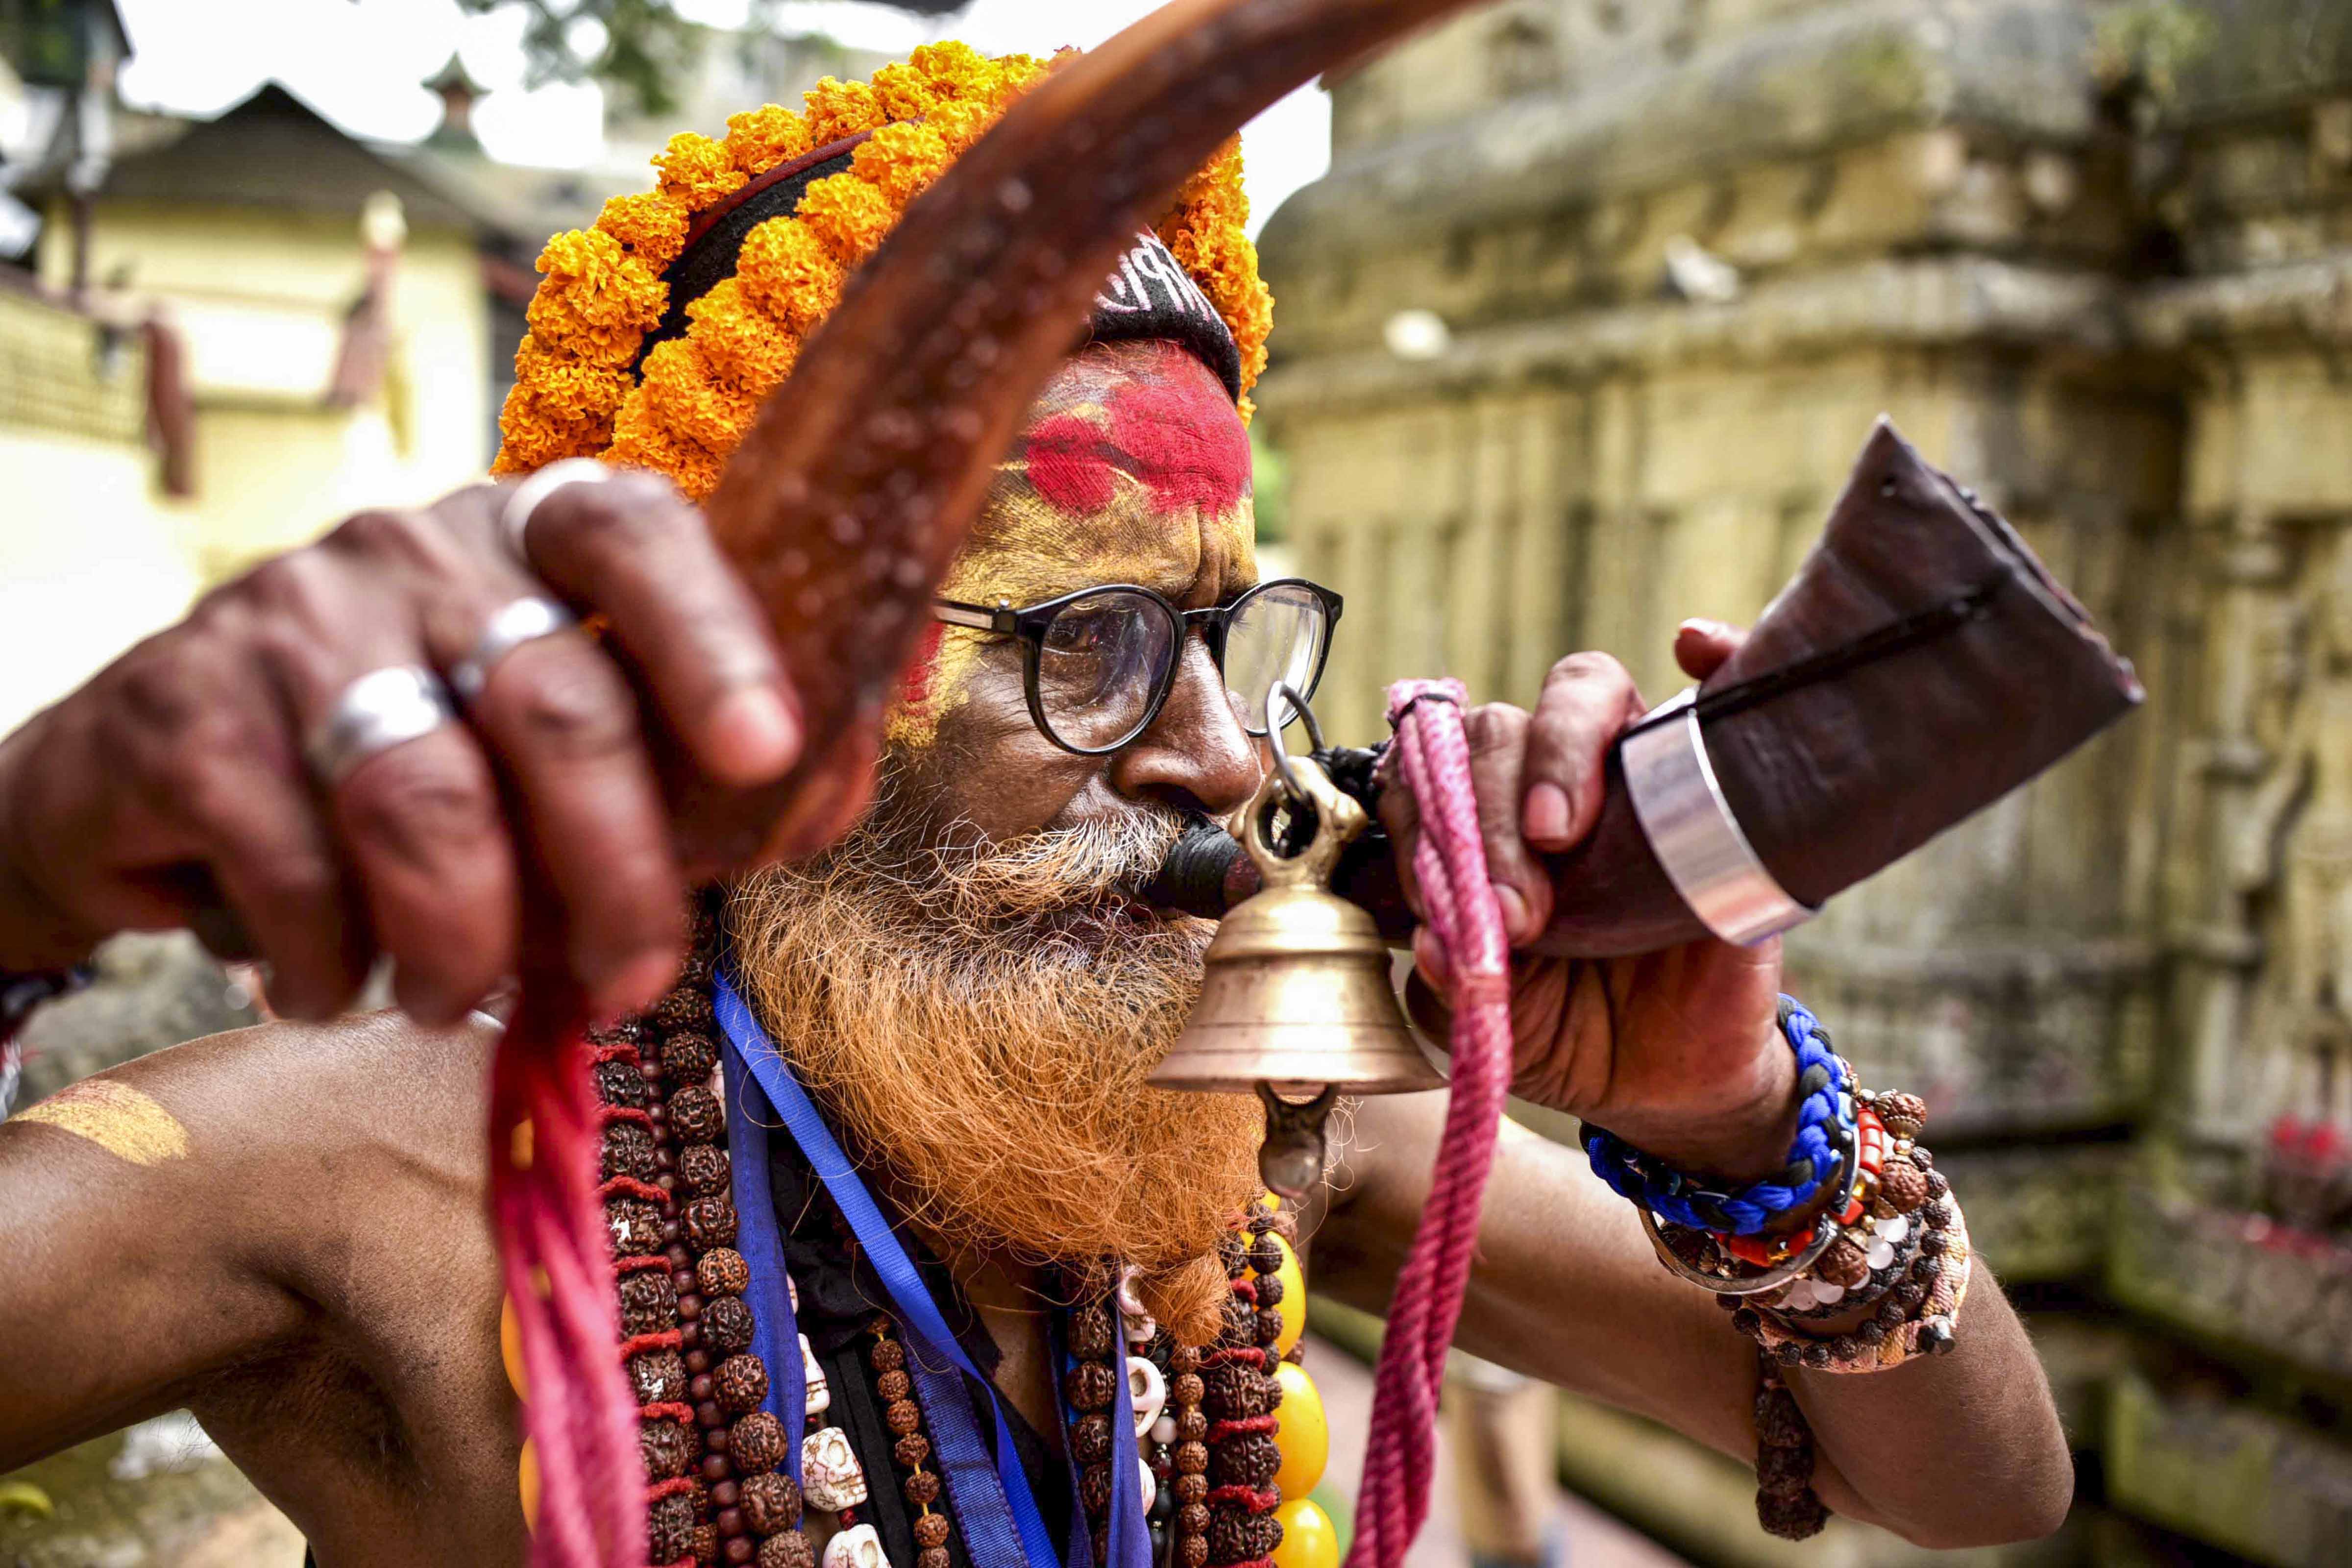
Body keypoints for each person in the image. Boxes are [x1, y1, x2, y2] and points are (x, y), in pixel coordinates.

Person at [0, 45, 2072, 1568]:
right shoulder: (360, 1164)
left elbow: (1975, 1484)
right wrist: (16, 875)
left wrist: (1726, 1111)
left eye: (1222, 639)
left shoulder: (1258, 1113)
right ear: (747, 687)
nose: (1224, 751)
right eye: (1077, 641)